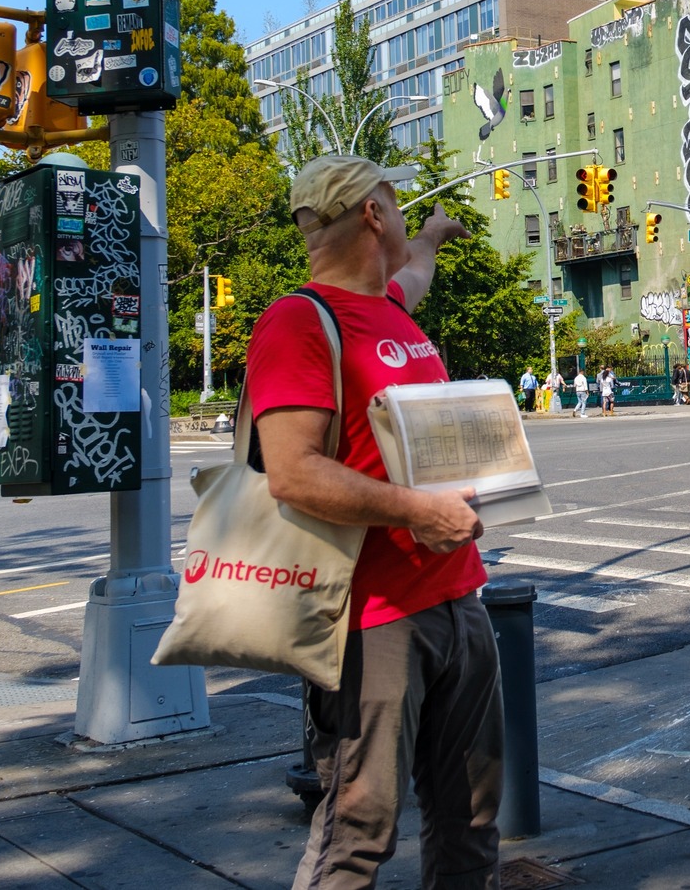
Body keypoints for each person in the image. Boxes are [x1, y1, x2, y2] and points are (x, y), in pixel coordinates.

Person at [243, 154, 500, 890]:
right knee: (360, 826)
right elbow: (293, 472)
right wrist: (416, 509)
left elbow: (415, 268)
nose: (400, 211)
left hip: (458, 599)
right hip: (373, 619)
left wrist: (434, 235)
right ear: (369, 212)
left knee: (472, 817)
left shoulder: (388, 304)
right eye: (394, 198)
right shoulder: (298, 321)